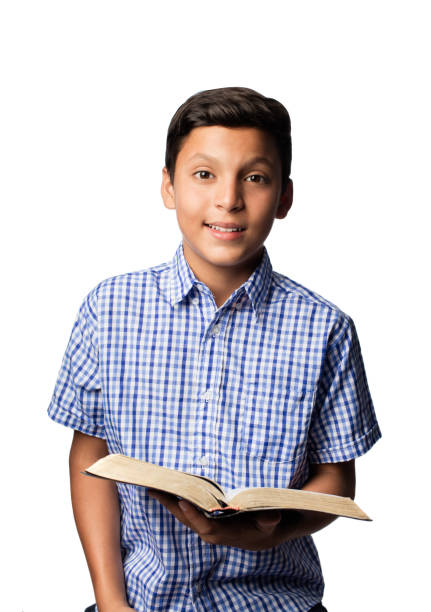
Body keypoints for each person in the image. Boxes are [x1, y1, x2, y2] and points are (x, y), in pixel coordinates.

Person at [48, 87, 381, 612]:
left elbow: (337, 476)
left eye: (255, 176)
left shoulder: (326, 328)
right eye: (204, 174)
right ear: (168, 186)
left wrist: (275, 531)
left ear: (284, 197)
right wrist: (111, 602)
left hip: (277, 603)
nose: (229, 198)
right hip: (140, 602)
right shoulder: (107, 309)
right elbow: (90, 454)